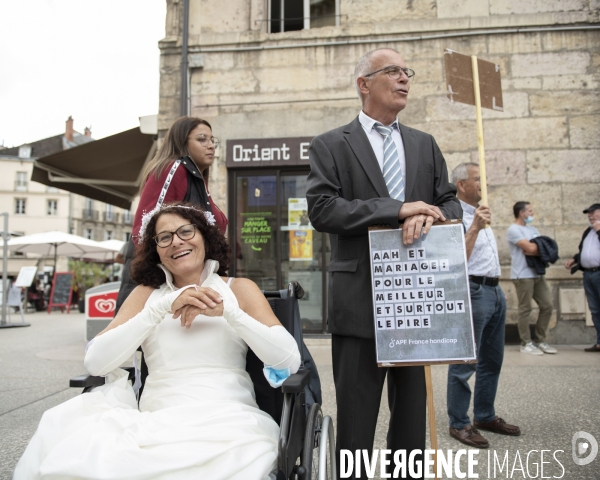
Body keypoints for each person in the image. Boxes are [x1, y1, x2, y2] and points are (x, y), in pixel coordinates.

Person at [14, 203, 301, 480]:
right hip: (154, 421)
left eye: (186, 231)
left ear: (205, 237)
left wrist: (230, 312)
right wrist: (159, 308)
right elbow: (96, 361)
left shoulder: (238, 289)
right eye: (164, 237)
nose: (176, 242)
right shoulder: (145, 295)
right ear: (156, 251)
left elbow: (289, 361)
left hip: (229, 420)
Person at [306, 47, 461, 478]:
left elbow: (449, 201)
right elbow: (323, 210)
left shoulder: (424, 144)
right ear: (363, 84)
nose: (404, 78)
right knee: (356, 423)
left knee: (411, 423)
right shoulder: (331, 144)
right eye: (392, 71)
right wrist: (397, 209)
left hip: (417, 303)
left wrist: (431, 213)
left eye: (406, 72)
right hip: (359, 304)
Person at [116, 116, 228, 313]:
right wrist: (155, 283)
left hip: (191, 285)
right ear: (182, 142)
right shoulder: (174, 169)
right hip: (165, 288)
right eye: (202, 139)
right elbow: (145, 228)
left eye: (213, 140)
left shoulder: (197, 181)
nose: (211, 146)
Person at [446, 163, 520, 449]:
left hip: (494, 289)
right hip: (473, 289)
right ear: (461, 184)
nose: (482, 184)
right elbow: (456, 260)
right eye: (478, 179)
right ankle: (459, 423)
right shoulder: (454, 215)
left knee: (492, 359)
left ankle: (485, 415)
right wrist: (475, 226)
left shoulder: (482, 210)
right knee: (465, 362)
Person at [507, 202, 557, 355]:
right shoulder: (513, 230)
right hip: (522, 275)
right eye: (529, 210)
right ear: (521, 213)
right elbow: (530, 248)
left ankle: (540, 340)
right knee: (525, 309)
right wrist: (538, 249)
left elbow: (544, 249)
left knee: (547, 305)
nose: (532, 213)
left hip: (537, 273)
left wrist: (537, 249)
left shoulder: (532, 229)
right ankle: (526, 343)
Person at [565, 203, 600, 352]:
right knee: (595, 310)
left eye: (593, 212)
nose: (590, 215)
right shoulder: (589, 231)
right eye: (588, 213)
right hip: (588, 274)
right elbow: (585, 250)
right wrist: (575, 259)